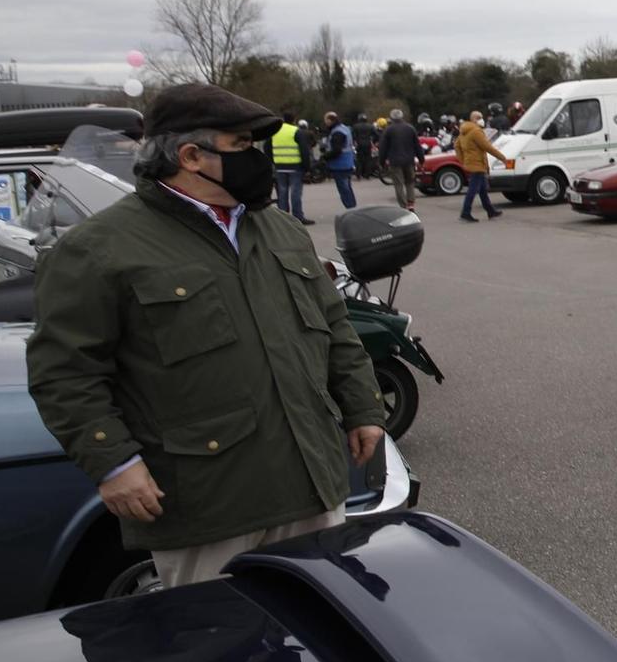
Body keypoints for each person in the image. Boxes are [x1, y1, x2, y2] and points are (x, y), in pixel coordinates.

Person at [25, 83, 385, 589]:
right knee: (226, 655)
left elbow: (335, 327)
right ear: (192, 156)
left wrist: (363, 407)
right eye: (242, 146)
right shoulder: (99, 248)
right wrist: (113, 463)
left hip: (312, 482)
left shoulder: (280, 229)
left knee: (318, 642)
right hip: (209, 505)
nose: (257, 159)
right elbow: (64, 373)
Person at [456, 110, 511, 222]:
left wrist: (463, 160)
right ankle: (465, 213)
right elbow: (487, 147)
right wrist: (502, 158)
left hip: (472, 164)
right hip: (478, 164)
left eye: (481, 116)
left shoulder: (463, 131)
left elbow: (456, 146)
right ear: (473, 119)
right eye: (478, 117)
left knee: (482, 190)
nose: (481, 119)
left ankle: (490, 211)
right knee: (473, 190)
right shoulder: (476, 131)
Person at [268, 108, 311, 224]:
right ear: (294, 119)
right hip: (295, 167)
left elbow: (267, 147)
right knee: (295, 193)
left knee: (282, 192)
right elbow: (304, 151)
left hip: (280, 167)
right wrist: (307, 167)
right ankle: (298, 217)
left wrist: (273, 160)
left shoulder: (275, 131)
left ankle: (283, 218)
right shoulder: (296, 131)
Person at [379, 108, 422, 210]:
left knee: (399, 184)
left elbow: (383, 147)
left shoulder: (388, 130)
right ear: (402, 117)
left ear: (391, 118)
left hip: (395, 161)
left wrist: (381, 161)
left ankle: (404, 206)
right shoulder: (410, 128)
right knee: (410, 182)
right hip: (409, 160)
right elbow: (417, 145)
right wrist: (421, 159)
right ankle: (411, 203)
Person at [319, 111, 357, 209]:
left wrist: (324, 157)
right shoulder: (345, 128)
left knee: (344, 189)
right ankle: (352, 207)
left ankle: (350, 209)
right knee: (347, 187)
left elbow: (336, 150)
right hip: (348, 162)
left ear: (329, 120)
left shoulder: (337, 132)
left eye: (325, 121)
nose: (325, 123)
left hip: (340, 164)